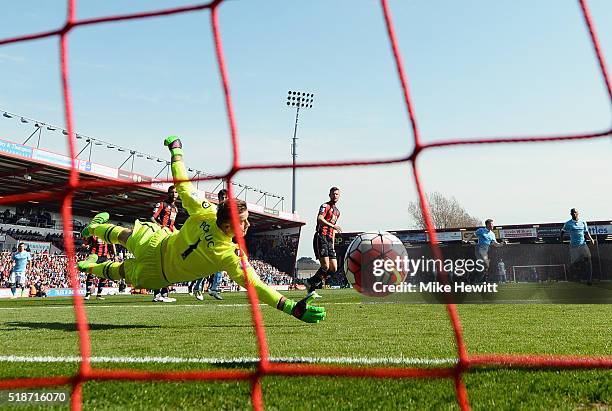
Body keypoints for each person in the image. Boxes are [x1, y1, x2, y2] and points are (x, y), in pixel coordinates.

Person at [77, 136, 325, 323]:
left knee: (124, 249)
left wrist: (177, 152)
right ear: (229, 225)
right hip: (160, 266)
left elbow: (182, 183)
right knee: (123, 256)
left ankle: (91, 257)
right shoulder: (229, 255)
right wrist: (292, 308)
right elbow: (256, 287)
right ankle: (93, 238)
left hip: (158, 252)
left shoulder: (205, 209)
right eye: (244, 221)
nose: (249, 225)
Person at [191, 189, 227, 301]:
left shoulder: (227, 211)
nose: (224, 200)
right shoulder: (214, 209)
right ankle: (198, 287)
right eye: (222, 198)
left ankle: (213, 289)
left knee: (220, 266)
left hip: (219, 242)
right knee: (207, 267)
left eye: (226, 198)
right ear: (219, 198)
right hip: (210, 240)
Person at [306, 187, 341, 295]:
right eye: (333, 194)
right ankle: (312, 287)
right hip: (321, 237)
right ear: (329, 195)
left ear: (339, 196)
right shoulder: (325, 206)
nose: (335, 196)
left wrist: (333, 245)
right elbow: (320, 219)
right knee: (325, 266)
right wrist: (332, 226)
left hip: (330, 240)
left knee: (334, 268)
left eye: (337, 194)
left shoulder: (337, 212)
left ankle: (311, 282)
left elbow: (333, 230)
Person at [150, 185, 179, 303]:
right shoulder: (162, 204)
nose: (174, 194)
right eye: (172, 192)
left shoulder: (176, 208)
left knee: (167, 266)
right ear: (168, 193)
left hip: (169, 238)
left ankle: (165, 294)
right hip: (161, 237)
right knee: (159, 266)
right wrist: (161, 227)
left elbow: (172, 225)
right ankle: (157, 294)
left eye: (176, 192)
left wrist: (177, 233)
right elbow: (152, 218)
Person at [560, 208, 596, 285]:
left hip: (583, 245)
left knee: (589, 260)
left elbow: (586, 232)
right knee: (575, 264)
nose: (574, 214)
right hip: (573, 246)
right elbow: (562, 231)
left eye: (575, 212)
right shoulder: (568, 223)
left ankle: (589, 280)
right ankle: (576, 278)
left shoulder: (583, 222)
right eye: (572, 213)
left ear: (578, 213)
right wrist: (561, 239)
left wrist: (591, 239)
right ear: (571, 214)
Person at [82, 234, 117, 300]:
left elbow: (112, 244)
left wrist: (115, 255)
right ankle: (87, 294)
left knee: (104, 275)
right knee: (91, 274)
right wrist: (85, 246)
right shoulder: (92, 235)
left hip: (104, 257)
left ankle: (99, 295)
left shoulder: (106, 235)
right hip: (94, 256)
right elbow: (86, 243)